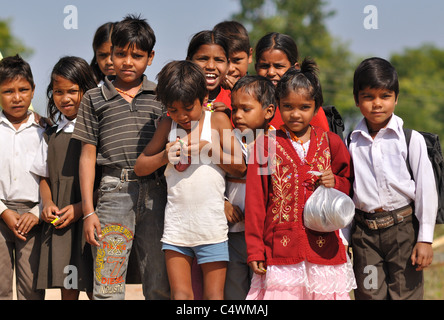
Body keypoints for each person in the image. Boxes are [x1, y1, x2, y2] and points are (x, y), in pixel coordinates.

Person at [72, 14, 170, 300]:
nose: (128, 62)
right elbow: (87, 156)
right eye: (120, 54)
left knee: (158, 280)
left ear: (150, 57)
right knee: (108, 284)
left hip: (157, 193)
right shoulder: (93, 97)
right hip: (113, 193)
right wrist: (89, 211)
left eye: (137, 55)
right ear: (110, 54)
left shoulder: (161, 96)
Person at [245, 59, 356, 300]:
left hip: (324, 250)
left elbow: (348, 186)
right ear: (277, 106)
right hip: (281, 251)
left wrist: (334, 182)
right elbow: (255, 201)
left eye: (304, 107)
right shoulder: (265, 146)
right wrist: (255, 250)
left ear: (317, 108)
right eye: (288, 106)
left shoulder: (331, 143)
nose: (295, 114)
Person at [134, 60, 246, 300]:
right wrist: (164, 156)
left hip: (212, 227)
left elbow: (240, 167)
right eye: (173, 110)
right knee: (181, 296)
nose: (182, 116)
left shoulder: (216, 121)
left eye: (188, 107)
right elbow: (140, 167)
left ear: (203, 96)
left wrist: (210, 150)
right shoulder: (168, 125)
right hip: (176, 228)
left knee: (214, 296)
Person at [345, 57, 437, 300]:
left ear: (396, 98)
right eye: (368, 96)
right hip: (364, 236)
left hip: (403, 232)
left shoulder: (410, 139)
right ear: (356, 99)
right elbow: (346, 193)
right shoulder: (351, 141)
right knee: (368, 293)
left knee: (405, 294)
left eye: (385, 96)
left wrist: (425, 239)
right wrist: (344, 240)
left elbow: (427, 191)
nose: (377, 104)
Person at [31, 56, 97, 300]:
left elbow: (108, 181)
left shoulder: (96, 129)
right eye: (58, 91)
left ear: (87, 91)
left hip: (92, 217)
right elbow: (44, 177)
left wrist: (82, 208)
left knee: (94, 285)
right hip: (61, 222)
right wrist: (47, 203)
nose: (65, 98)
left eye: (73, 91)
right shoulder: (49, 134)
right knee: (66, 284)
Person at [224, 75, 275, 299]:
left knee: (265, 292)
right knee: (234, 291)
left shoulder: (277, 143)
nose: (237, 115)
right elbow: (212, 178)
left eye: (246, 109)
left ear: (268, 111)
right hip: (232, 232)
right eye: (234, 109)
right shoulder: (229, 140)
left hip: (266, 236)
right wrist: (222, 203)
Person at [0, 55, 45, 300]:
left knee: (32, 289)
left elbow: (52, 178)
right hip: (1, 214)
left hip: (33, 218)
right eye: (8, 91)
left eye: (23, 90)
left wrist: (37, 213)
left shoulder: (45, 131)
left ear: (33, 90)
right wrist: (4, 212)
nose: (16, 98)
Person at [254, 32, 329, 131]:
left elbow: (324, 142)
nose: (271, 72)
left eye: (279, 66)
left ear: (295, 68)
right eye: (264, 66)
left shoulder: (309, 108)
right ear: (256, 68)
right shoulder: (246, 104)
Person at [186, 30, 231, 117]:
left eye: (219, 60)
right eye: (203, 59)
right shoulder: (179, 99)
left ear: (228, 65)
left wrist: (231, 117)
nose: (211, 66)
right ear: (189, 62)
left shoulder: (235, 100)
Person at [212, 21, 253, 90]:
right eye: (222, 60)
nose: (230, 69)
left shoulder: (259, 90)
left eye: (237, 60)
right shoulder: (204, 92)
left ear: (250, 56)